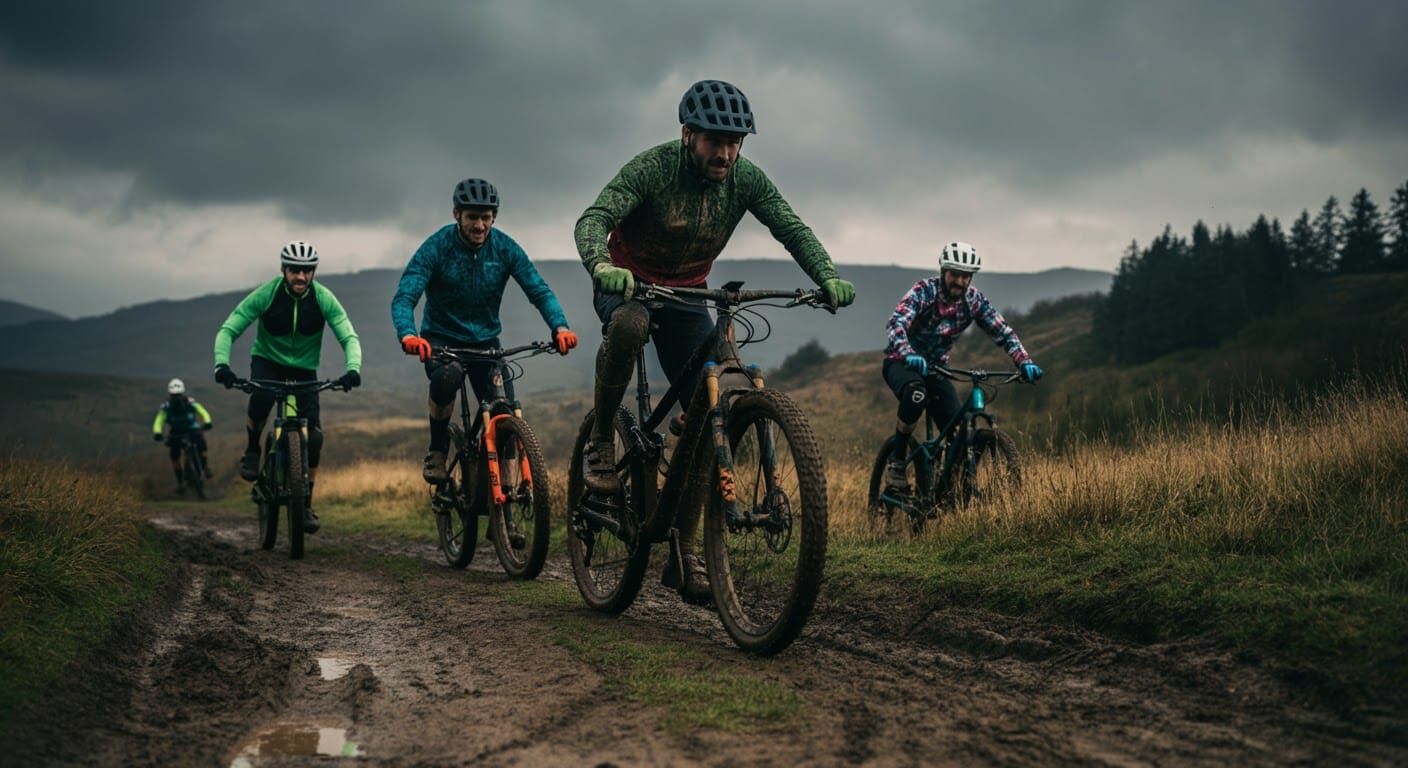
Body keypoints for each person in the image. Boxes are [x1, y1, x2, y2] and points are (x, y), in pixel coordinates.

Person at [574, 78, 856, 599]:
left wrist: (827, 275)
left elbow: (791, 228)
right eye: (714, 141)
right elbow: (594, 218)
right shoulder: (654, 168)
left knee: (709, 410)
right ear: (688, 135)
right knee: (630, 325)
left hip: (687, 292)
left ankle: (684, 551)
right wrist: (601, 265)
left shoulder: (745, 179)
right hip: (629, 283)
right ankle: (601, 441)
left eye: (734, 142)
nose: (725, 153)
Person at [392, 177, 578, 484]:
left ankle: (505, 499)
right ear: (457, 214)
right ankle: (437, 450)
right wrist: (408, 334)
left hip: (486, 343)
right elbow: (405, 296)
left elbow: (539, 291)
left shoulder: (504, 247)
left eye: (486, 217)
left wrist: (560, 327)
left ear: (494, 217)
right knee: (446, 377)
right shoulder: (437, 246)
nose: (479, 225)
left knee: (504, 413)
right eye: (472, 217)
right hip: (441, 340)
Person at [212, 240, 362, 533]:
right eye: (294, 270)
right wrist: (222, 365)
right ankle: (253, 450)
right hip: (267, 361)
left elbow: (348, 336)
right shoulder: (267, 294)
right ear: (284, 270)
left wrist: (353, 369)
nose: (301, 276)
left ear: (313, 271)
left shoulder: (323, 298)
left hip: (304, 369)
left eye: (307, 271)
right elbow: (230, 328)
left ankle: (305, 504)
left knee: (314, 438)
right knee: (260, 398)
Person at [882, 241, 1043, 490]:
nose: (960, 281)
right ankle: (898, 461)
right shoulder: (924, 291)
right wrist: (907, 352)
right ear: (943, 271)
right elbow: (896, 323)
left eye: (966, 276)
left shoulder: (974, 301)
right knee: (916, 395)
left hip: (938, 370)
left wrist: (1024, 361)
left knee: (957, 432)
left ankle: (950, 488)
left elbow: (1003, 332)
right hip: (902, 362)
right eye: (955, 274)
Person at [152, 378, 213, 493]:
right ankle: (181, 482)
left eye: (178, 395)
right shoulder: (166, 407)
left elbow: (202, 411)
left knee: (201, 446)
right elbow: (159, 420)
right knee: (175, 456)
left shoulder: (189, 402)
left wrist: (207, 421)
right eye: (174, 395)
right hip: (178, 433)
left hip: (190, 430)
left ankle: (205, 468)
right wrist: (157, 432)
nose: (176, 397)